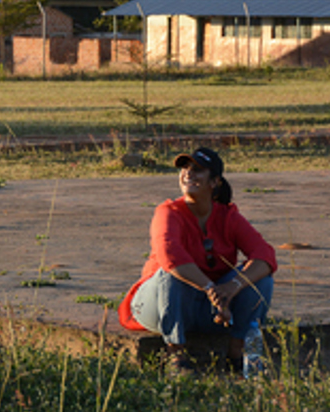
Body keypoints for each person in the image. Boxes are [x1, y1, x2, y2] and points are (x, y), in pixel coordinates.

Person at [118, 147, 277, 375]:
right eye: (185, 168)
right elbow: (170, 256)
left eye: (198, 170)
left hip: (211, 309)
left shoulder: (228, 216)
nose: (188, 174)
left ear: (214, 182)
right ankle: (176, 356)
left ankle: (236, 355)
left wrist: (233, 287)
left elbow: (265, 255)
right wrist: (211, 288)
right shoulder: (168, 212)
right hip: (160, 305)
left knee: (262, 280)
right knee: (168, 273)